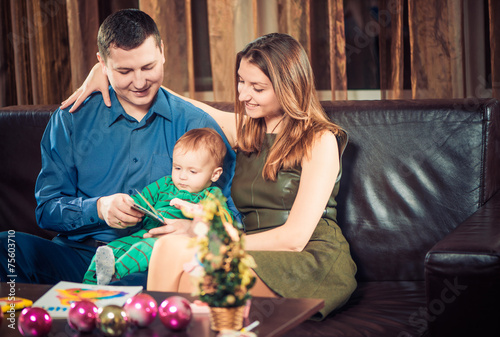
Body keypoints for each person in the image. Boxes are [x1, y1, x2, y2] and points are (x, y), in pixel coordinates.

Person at [63, 33, 357, 319]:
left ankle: (154, 325)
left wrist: (212, 240)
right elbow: (184, 103)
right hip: (248, 251)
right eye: (241, 81)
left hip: (308, 259)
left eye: (257, 87)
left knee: (195, 277)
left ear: (289, 86)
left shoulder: (320, 140)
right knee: (170, 247)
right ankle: (158, 326)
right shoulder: (248, 130)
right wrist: (107, 74)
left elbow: (294, 238)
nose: (243, 95)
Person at [0, 9, 235, 286]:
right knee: (8, 245)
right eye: (124, 71)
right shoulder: (71, 120)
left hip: (151, 261)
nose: (139, 82)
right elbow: (46, 210)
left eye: (148, 67)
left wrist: (194, 228)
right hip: (78, 255)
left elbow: (231, 218)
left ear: (162, 52)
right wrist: (97, 208)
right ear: (103, 64)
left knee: (132, 284)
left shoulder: (196, 125)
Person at [83, 128, 231, 285]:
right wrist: (128, 206)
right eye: (177, 168)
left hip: (172, 243)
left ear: (215, 174)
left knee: (148, 248)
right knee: (111, 249)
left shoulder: (211, 196)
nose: (182, 176)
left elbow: (225, 222)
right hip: (143, 234)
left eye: (192, 171)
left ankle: (114, 276)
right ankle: (89, 287)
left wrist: (197, 212)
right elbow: (141, 200)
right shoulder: (165, 184)